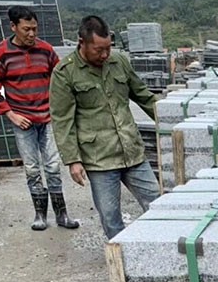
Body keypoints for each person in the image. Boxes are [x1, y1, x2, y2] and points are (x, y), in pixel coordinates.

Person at [50, 15, 160, 239]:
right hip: (100, 158)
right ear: (82, 42)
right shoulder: (65, 73)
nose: (104, 55)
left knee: (157, 203)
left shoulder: (118, 61)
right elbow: (62, 120)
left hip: (132, 151)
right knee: (111, 217)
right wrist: (73, 160)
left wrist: (172, 120)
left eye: (108, 48)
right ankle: (122, 257)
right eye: (98, 50)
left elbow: (144, 96)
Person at [0, 5, 79, 232]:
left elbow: (61, 79)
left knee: (53, 165)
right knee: (32, 168)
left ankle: (62, 214)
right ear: (13, 27)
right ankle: (40, 214)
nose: (31, 34)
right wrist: (11, 114)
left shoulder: (46, 50)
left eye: (34, 29)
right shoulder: (1, 53)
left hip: (47, 117)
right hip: (22, 121)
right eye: (26, 29)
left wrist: (60, 108)